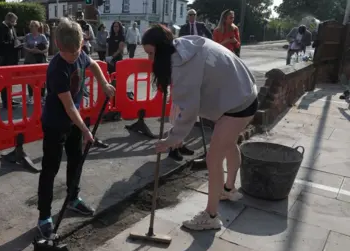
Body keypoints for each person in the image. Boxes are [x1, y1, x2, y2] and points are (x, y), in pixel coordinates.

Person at [142, 24, 258, 230]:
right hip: (242, 91)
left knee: (213, 157)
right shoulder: (182, 46)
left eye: (151, 54)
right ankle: (228, 189)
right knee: (227, 143)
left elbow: (189, 109)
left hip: (238, 103)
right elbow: (186, 98)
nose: (150, 60)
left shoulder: (182, 65)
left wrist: (171, 138)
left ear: (161, 48)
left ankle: (211, 216)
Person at [36, 18, 115, 239]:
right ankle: (44, 216)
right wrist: (85, 130)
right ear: (59, 47)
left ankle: (72, 198)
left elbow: (93, 64)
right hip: (55, 123)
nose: (75, 56)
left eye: (78, 51)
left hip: (74, 121)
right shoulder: (57, 69)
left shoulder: (79, 52)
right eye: (70, 54)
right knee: (50, 169)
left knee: (76, 160)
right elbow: (69, 106)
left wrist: (104, 83)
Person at [0, 12, 21, 109]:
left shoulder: (12, 28)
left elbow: (14, 39)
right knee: (5, 81)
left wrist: (17, 44)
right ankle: (6, 102)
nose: (15, 24)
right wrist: (12, 45)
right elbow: (0, 44)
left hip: (12, 58)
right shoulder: (1, 28)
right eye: (13, 21)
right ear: (8, 20)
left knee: (10, 81)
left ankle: (10, 99)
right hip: (5, 59)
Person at [24, 20, 48, 105]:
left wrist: (39, 51)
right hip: (30, 59)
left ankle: (42, 96)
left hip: (40, 58)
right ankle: (30, 96)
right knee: (30, 78)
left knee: (42, 79)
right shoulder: (27, 36)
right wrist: (31, 50)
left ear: (38, 27)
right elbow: (24, 46)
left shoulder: (42, 36)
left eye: (35, 26)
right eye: (32, 26)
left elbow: (46, 48)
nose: (33, 28)